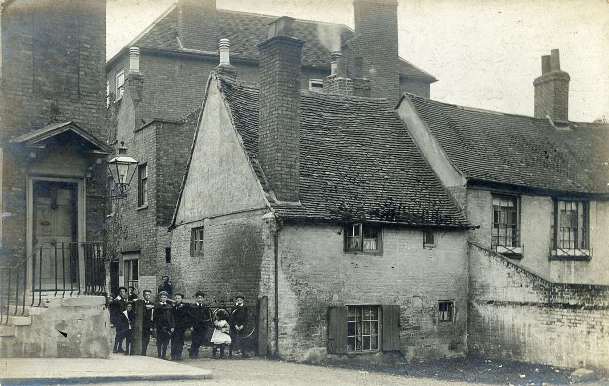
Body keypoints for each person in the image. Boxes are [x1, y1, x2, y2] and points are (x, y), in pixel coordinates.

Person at [189, 291, 211, 359]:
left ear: (203, 299)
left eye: (201, 298)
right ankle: (193, 353)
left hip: (203, 326)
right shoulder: (193, 307)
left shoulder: (205, 307)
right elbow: (190, 317)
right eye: (198, 298)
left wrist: (206, 324)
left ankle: (194, 351)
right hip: (195, 326)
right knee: (195, 340)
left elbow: (208, 317)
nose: (200, 299)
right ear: (196, 298)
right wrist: (191, 326)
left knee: (201, 340)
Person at [154, 291, 174, 359]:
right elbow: (154, 317)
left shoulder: (169, 306)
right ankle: (159, 354)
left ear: (167, 298)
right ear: (160, 298)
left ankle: (164, 355)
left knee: (166, 342)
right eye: (162, 297)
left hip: (167, 327)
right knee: (159, 341)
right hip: (159, 326)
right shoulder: (157, 306)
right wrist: (154, 326)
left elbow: (172, 317)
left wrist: (172, 326)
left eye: (164, 297)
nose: (163, 298)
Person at [170, 293, 190, 361]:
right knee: (173, 341)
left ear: (181, 299)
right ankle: (173, 355)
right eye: (176, 298)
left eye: (179, 298)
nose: (177, 300)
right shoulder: (173, 307)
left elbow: (187, 314)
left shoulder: (184, 306)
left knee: (180, 342)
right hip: (174, 327)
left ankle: (178, 355)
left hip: (181, 327)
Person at [110, 287, 128, 353]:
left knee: (122, 334)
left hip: (123, 320)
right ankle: (115, 348)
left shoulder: (123, 300)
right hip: (119, 320)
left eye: (123, 291)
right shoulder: (116, 300)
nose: (122, 293)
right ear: (119, 292)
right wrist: (114, 320)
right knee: (118, 334)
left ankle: (120, 347)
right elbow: (113, 311)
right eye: (121, 291)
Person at [140, 289, 155, 356]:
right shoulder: (140, 303)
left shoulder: (152, 304)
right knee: (141, 338)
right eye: (146, 295)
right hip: (141, 324)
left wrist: (152, 325)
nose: (147, 296)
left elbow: (153, 315)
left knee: (147, 338)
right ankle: (141, 351)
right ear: (143, 295)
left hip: (148, 324)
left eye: (149, 295)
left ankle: (144, 352)